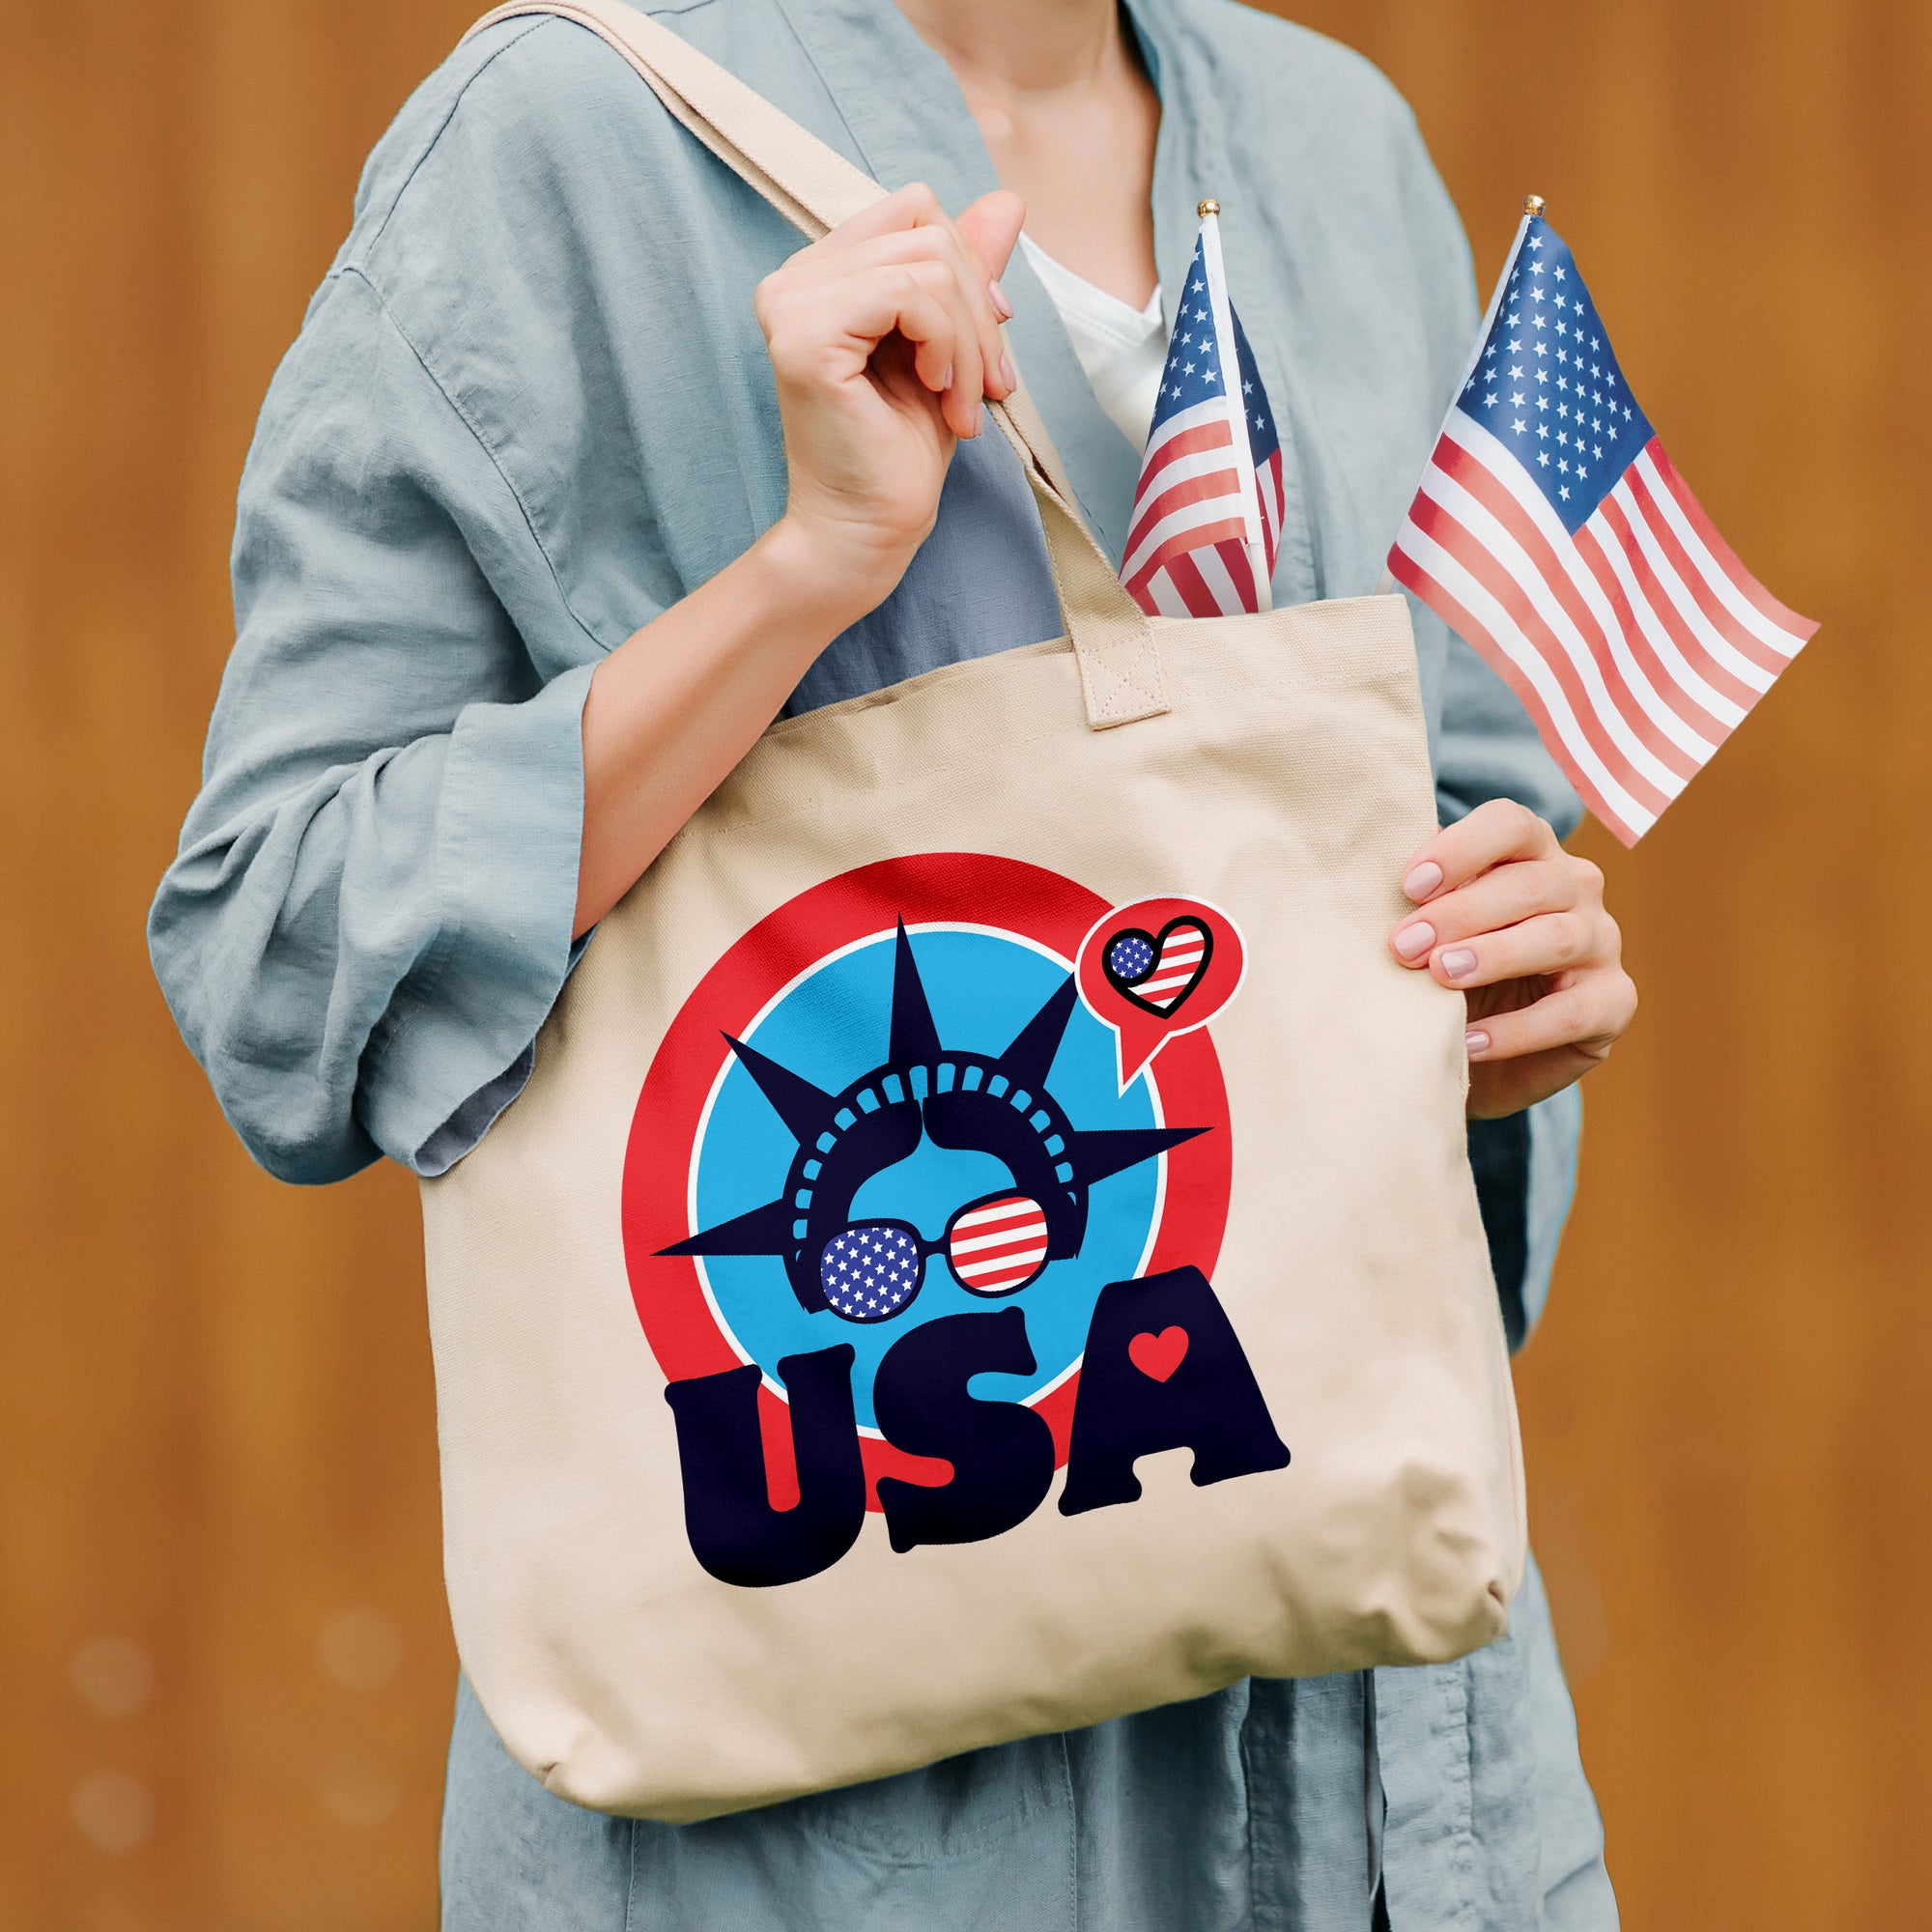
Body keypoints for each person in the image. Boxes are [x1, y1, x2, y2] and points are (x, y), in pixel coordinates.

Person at [150, 0, 1636, 1922]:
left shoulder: (1333, 140)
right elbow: (279, 954)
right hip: (828, 1816)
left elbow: (1460, 810)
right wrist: (805, 575)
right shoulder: (558, 141)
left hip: (1404, 1795)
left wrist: (1491, 998)